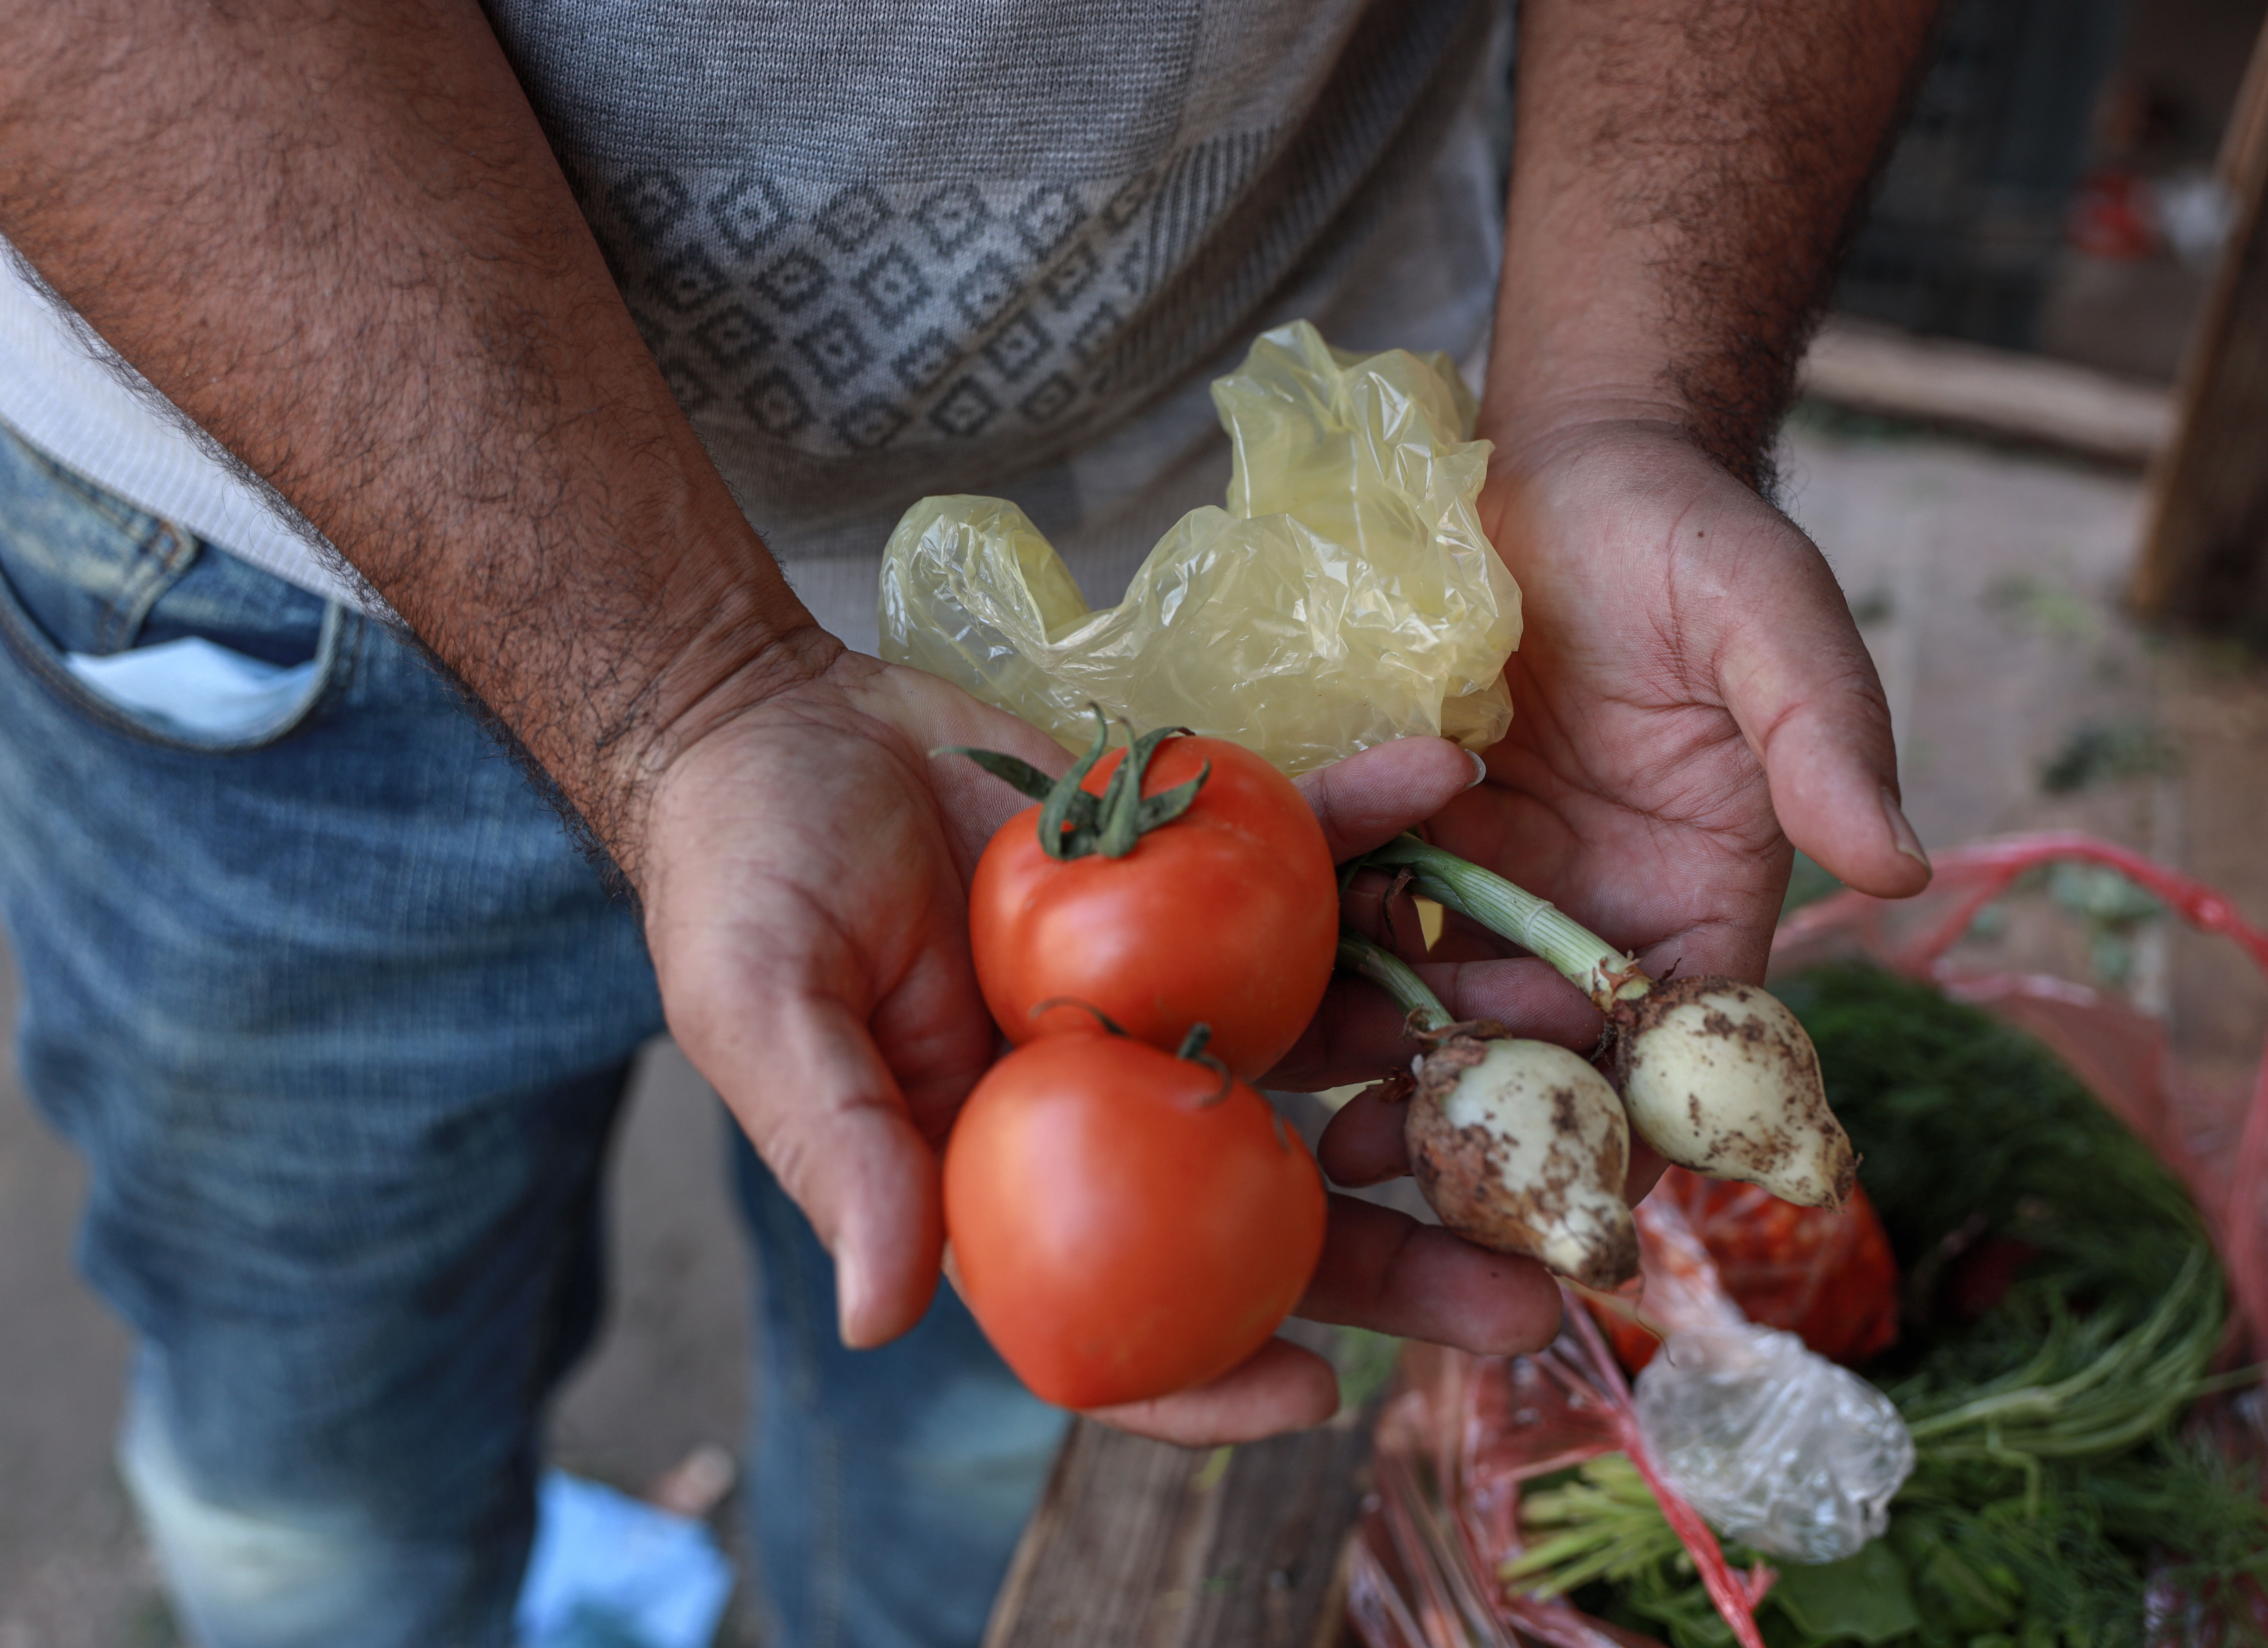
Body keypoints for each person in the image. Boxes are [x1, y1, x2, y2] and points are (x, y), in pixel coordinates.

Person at [0, 1, 1937, 1643]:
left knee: (969, 1488)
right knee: (316, 1447)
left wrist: (1626, 408)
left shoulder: (1159, 879)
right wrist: (671, 689)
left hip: (1207, 552)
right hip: (290, 543)